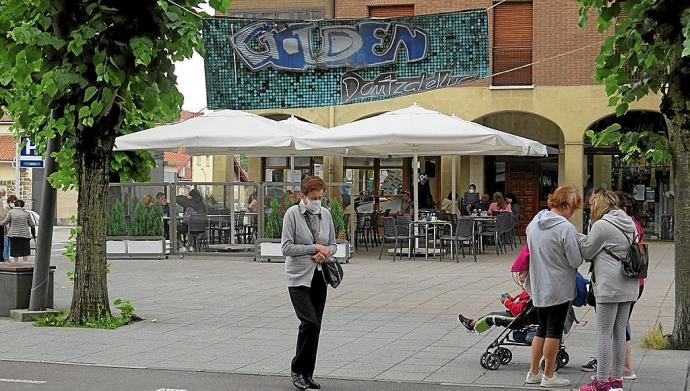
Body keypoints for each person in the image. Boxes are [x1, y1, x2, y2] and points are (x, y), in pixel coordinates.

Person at [578, 191, 639, 391]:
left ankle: (601, 381)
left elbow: (587, 252)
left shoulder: (602, 226)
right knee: (620, 332)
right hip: (629, 283)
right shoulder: (629, 223)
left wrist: (581, 235)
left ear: (599, 205)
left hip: (609, 285)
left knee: (604, 333)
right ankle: (616, 380)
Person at [281, 176, 336, 390]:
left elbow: (332, 244)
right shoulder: (292, 214)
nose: (318, 202)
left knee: (316, 327)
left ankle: (307, 373)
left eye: (320, 198)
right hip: (298, 277)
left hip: (320, 276)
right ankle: (297, 369)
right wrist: (314, 248)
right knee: (309, 322)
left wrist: (326, 253)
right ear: (303, 196)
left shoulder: (326, 214)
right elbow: (286, 247)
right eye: (314, 198)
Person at [525, 186, 583, 387]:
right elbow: (575, 260)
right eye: (573, 208)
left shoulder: (534, 223)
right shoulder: (566, 228)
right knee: (554, 331)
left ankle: (533, 372)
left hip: (538, 285)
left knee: (541, 328)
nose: (573, 213)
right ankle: (549, 375)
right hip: (558, 287)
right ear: (566, 205)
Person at [458, 271, 531, 333]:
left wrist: (506, 302)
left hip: (515, 318)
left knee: (491, 316)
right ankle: (473, 323)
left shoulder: (527, 296)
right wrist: (510, 299)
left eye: (523, 282)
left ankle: (472, 325)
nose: (521, 285)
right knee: (491, 314)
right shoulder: (527, 293)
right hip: (514, 315)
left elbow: (518, 310)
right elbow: (518, 304)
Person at [0, 187, 7, 262]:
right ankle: (1, 258)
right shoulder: (0, 201)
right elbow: (2, 215)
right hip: (0, 225)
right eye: (3, 195)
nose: (3, 196)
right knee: (1, 243)